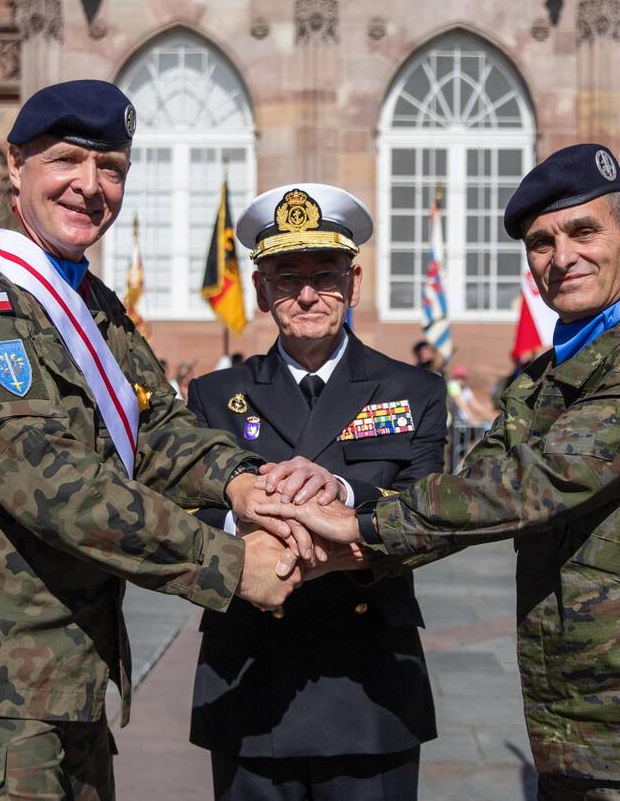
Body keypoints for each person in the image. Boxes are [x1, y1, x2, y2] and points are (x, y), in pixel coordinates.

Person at [0, 80, 336, 799]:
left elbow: (157, 427)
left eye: (111, 167)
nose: (90, 186)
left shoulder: (91, 304)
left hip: (68, 681)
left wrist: (246, 483)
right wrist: (227, 562)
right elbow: (50, 481)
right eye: (66, 160)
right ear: (15, 165)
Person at [258, 144, 620, 796]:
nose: (563, 257)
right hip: (570, 723)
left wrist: (360, 524)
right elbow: (472, 491)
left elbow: (540, 481)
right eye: (542, 243)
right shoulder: (540, 382)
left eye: (584, 231)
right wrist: (338, 553)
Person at [185, 183, 447, 800]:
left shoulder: (413, 391)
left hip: (368, 685)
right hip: (250, 675)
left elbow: (430, 510)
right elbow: (189, 507)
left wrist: (342, 491)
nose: (308, 295)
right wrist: (252, 524)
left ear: (353, 284)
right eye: (287, 278)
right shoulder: (215, 396)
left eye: (325, 276)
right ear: (260, 291)